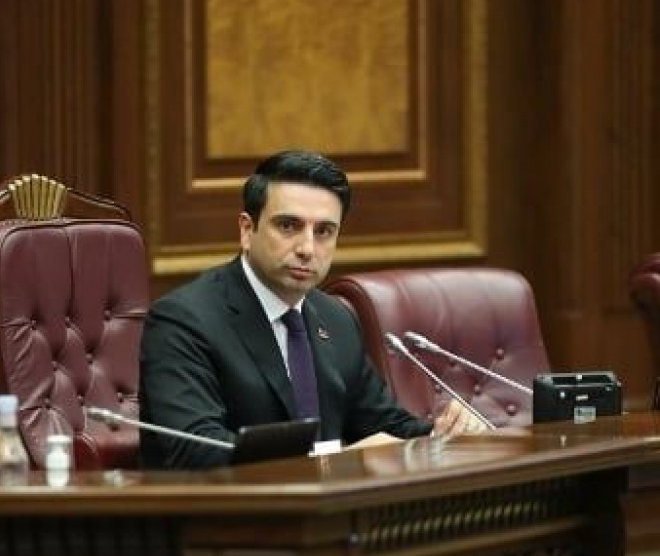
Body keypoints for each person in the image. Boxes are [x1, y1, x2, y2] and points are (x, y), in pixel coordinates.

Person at [140, 149, 485, 469]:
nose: (307, 248)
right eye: (288, 226)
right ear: (247, 230)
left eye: (324, 231)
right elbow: (196, 450)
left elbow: (382, 424)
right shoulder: (183, 320)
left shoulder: (335, 317)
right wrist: (335, 462)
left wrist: (441, 435)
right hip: (223, 512)